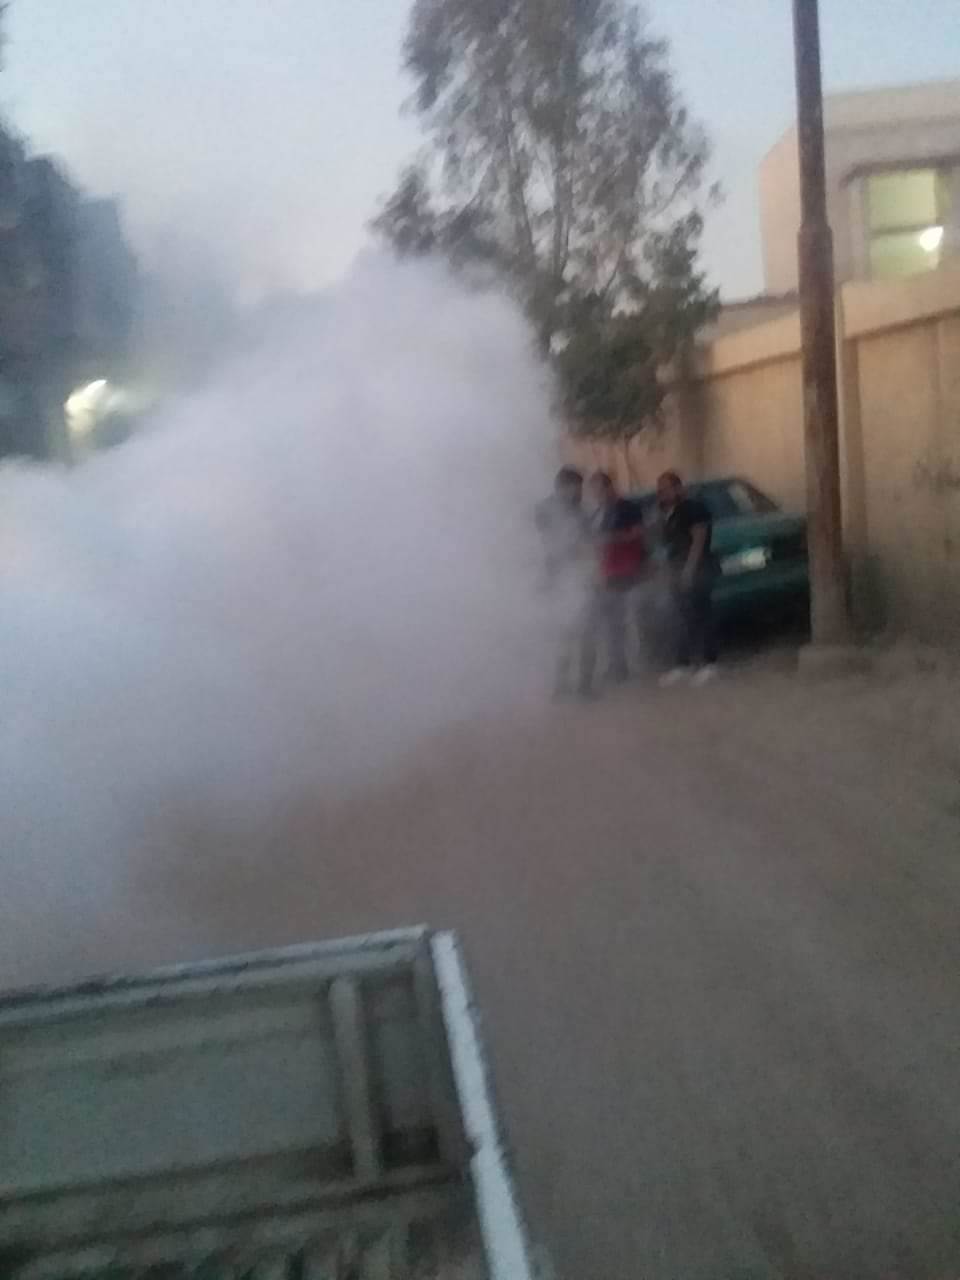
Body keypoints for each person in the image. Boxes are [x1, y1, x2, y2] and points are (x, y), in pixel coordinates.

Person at [585, 471, 648, 688]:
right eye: (593, 491)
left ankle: (634, 664)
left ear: (609, 488)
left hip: (627, 571)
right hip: (606, 574)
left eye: (599, 489)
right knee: (611, 623)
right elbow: (593, 545)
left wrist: (611, 538)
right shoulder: (597, 513)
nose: (597, 494)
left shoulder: (628, 508)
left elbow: (638, 534)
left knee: (628, 620)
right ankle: (617, 666)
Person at [535, 467, 594, 697]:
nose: (579, 492)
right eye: (576, 487)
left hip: (578, 576)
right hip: (561, 577)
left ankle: (583, 684)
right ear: (563, 486)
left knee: (585, 631)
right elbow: (544, 546)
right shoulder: (545, 511)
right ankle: (562, 684)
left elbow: (589, 544)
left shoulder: (580, 511)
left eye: (579, 488)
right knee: (565, 633)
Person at [656, 469, 718, 686]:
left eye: (666, 489)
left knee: (702, 615)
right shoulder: (668, 514)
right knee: (681, 618)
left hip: (698, 570)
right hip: (676, 571)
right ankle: (682, 665)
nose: (662, 494)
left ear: (678, 488)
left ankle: (709, 663)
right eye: (660, 490)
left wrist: (689, 569)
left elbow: (698, 539)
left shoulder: (694, 509)